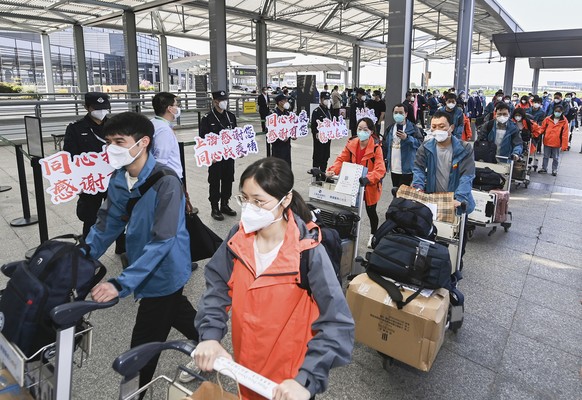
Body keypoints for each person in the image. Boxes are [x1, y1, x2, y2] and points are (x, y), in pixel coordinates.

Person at [193, 157, 354, 400]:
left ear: (285, 199)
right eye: (244, 199)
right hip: (245, 367)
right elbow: (217, 286)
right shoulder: (238, 237)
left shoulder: (307, 252)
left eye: (259, 201)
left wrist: (306, 379)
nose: (249, 208)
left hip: (288, 381)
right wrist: (210, 336)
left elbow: (337, 322)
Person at [88, 112, 199, 397]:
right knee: (179, 313)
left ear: (143, 142)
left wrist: (120, 283)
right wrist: (84, 253)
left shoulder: (167, 182)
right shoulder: (119, 177)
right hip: (142, 264)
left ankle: (134, 393)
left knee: (143, 345)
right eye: (108, 141)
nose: (112, 147)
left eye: (119, 141)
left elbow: (163, 241)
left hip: (164, 270)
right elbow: (108, 222)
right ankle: (208, 344)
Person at [411, 110, 475, 269]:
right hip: (434, 199)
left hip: (456, 202)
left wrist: (459, 198)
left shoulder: (464, 148)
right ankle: (432, 265)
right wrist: (418, 186)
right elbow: (418, 168)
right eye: (433, 127)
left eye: (442, 126)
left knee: (458, 238)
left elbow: (467, 176)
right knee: (432, 234)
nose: (437, 130)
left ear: (451, 127)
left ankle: (456, 265)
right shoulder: (426, 146)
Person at [63, 92, 125, 252]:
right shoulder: (76, 128)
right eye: (97, 108)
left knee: (118, 212)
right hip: (91, 181)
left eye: (105, 108)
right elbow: (70, 156)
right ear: (87, 107)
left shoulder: (115, 126)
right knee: (90, 216)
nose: (102, 111)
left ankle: (122, 246)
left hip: (112, 177)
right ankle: (87, 250)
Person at [326, 117, 386, 248]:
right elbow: (341, 160)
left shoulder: (376, 147)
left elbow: (380, 169)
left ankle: (373, 235)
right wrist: (333, 171)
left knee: (371, 211)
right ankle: (348, 233)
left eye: (365, 129)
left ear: (371, 131)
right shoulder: (351, 144)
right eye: (359, 129)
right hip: (353, 183)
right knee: (349, 210)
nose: (362, 132)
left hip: (369, 185)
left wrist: (369, 178)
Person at [199, 90, 238, 221]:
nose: (224, 102)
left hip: (229, 156)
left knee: (228, 179)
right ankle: (214, 207)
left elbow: (236, 136)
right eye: (221, 100)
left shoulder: (230, 116)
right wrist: (210, 155)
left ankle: (225, 204)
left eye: (225, 99)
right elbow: (203, 139)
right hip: (215, 158)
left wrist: (239, 149)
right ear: (215, 101)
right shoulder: (207, 118)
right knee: (215, 181)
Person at [383, 104, 421, 189]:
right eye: (396, 113)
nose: (398, 115)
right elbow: (385, 144)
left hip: (407, 168)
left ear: (406, 114)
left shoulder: (413, 128)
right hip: (394, 167)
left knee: (403, 194)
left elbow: (420, 143)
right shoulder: (390, 128)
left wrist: (407, 138)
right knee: (395, 190)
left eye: (401, 113)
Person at [536, 104, 569, 176]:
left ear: (562, 112)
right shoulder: (547, 119)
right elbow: (542, 128)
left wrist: (564, 146)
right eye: (556, 111)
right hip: (547, 141)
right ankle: (544, 168)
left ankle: (554, 170)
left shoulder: (564, 121)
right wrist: (536, 133)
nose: (557, 112)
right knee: (545, 156)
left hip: (557, 143)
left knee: (556, 157)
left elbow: (565, 134)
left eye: (559, 111)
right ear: (553, 111)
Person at [311, 92, 333, 179]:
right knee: (318, 156)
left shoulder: (328, 110)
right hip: (319, 139)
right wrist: (316, 133)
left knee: (325, 156)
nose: (327, 101)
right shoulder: (316, 111)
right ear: (321, 99)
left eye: (328, 99)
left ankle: (323, 175)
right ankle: (316, 176)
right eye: (325, 99)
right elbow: (313, 126)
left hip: (328, 138)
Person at [271, 93, 294, 167]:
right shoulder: (273, 114)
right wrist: (280, 138)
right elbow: (270, 130)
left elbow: (290, 127)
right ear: (279, 102)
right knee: (278, 167)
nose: (286, 102)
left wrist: (293, 134)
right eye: (285, 100)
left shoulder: (287, 113)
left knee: (287, 165)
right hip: (278, 146)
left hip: (287, 145)